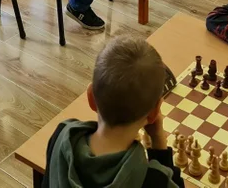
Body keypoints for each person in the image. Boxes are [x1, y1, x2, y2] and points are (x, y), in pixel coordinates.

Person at [43, 36, 185, 188]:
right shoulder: (154, 180)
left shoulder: (62, 136)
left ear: (91, 97)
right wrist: (159, 143)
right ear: (154, 113)